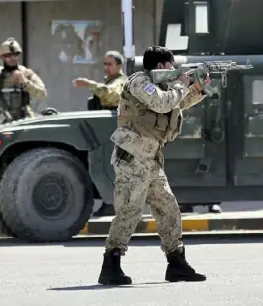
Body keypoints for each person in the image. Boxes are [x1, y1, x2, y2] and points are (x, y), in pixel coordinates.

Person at [98, 46, 209, 285]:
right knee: (130, 209)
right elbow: (161, 104)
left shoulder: (165, 86)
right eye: (171, 67)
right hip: (132, 157)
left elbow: (176, 104)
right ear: (160, 67)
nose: (173, 71)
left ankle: (176, 262)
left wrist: (198, 89)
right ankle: (111, 263)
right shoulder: (138, 82)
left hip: (151, 158)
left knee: (168, 207)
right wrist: (181, 82)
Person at [73, 50, 128, 217]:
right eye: (104, 64)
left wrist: (89, 84)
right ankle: (109, 202)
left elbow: (112, 97)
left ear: (119, 65)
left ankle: (112, 205)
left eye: (110, 64)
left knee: (112, 168)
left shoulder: (121, 82)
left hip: (116, 132)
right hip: (105, 133)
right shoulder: (110, 81)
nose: (106, 67)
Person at [0, 37, 47, 127]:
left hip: (25, 121)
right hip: (1, 122)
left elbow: (42, 94)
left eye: (16, 54)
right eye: (9, 55)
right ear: (2, 57)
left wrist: (25, 82)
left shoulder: (27, 73)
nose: (13, 58)